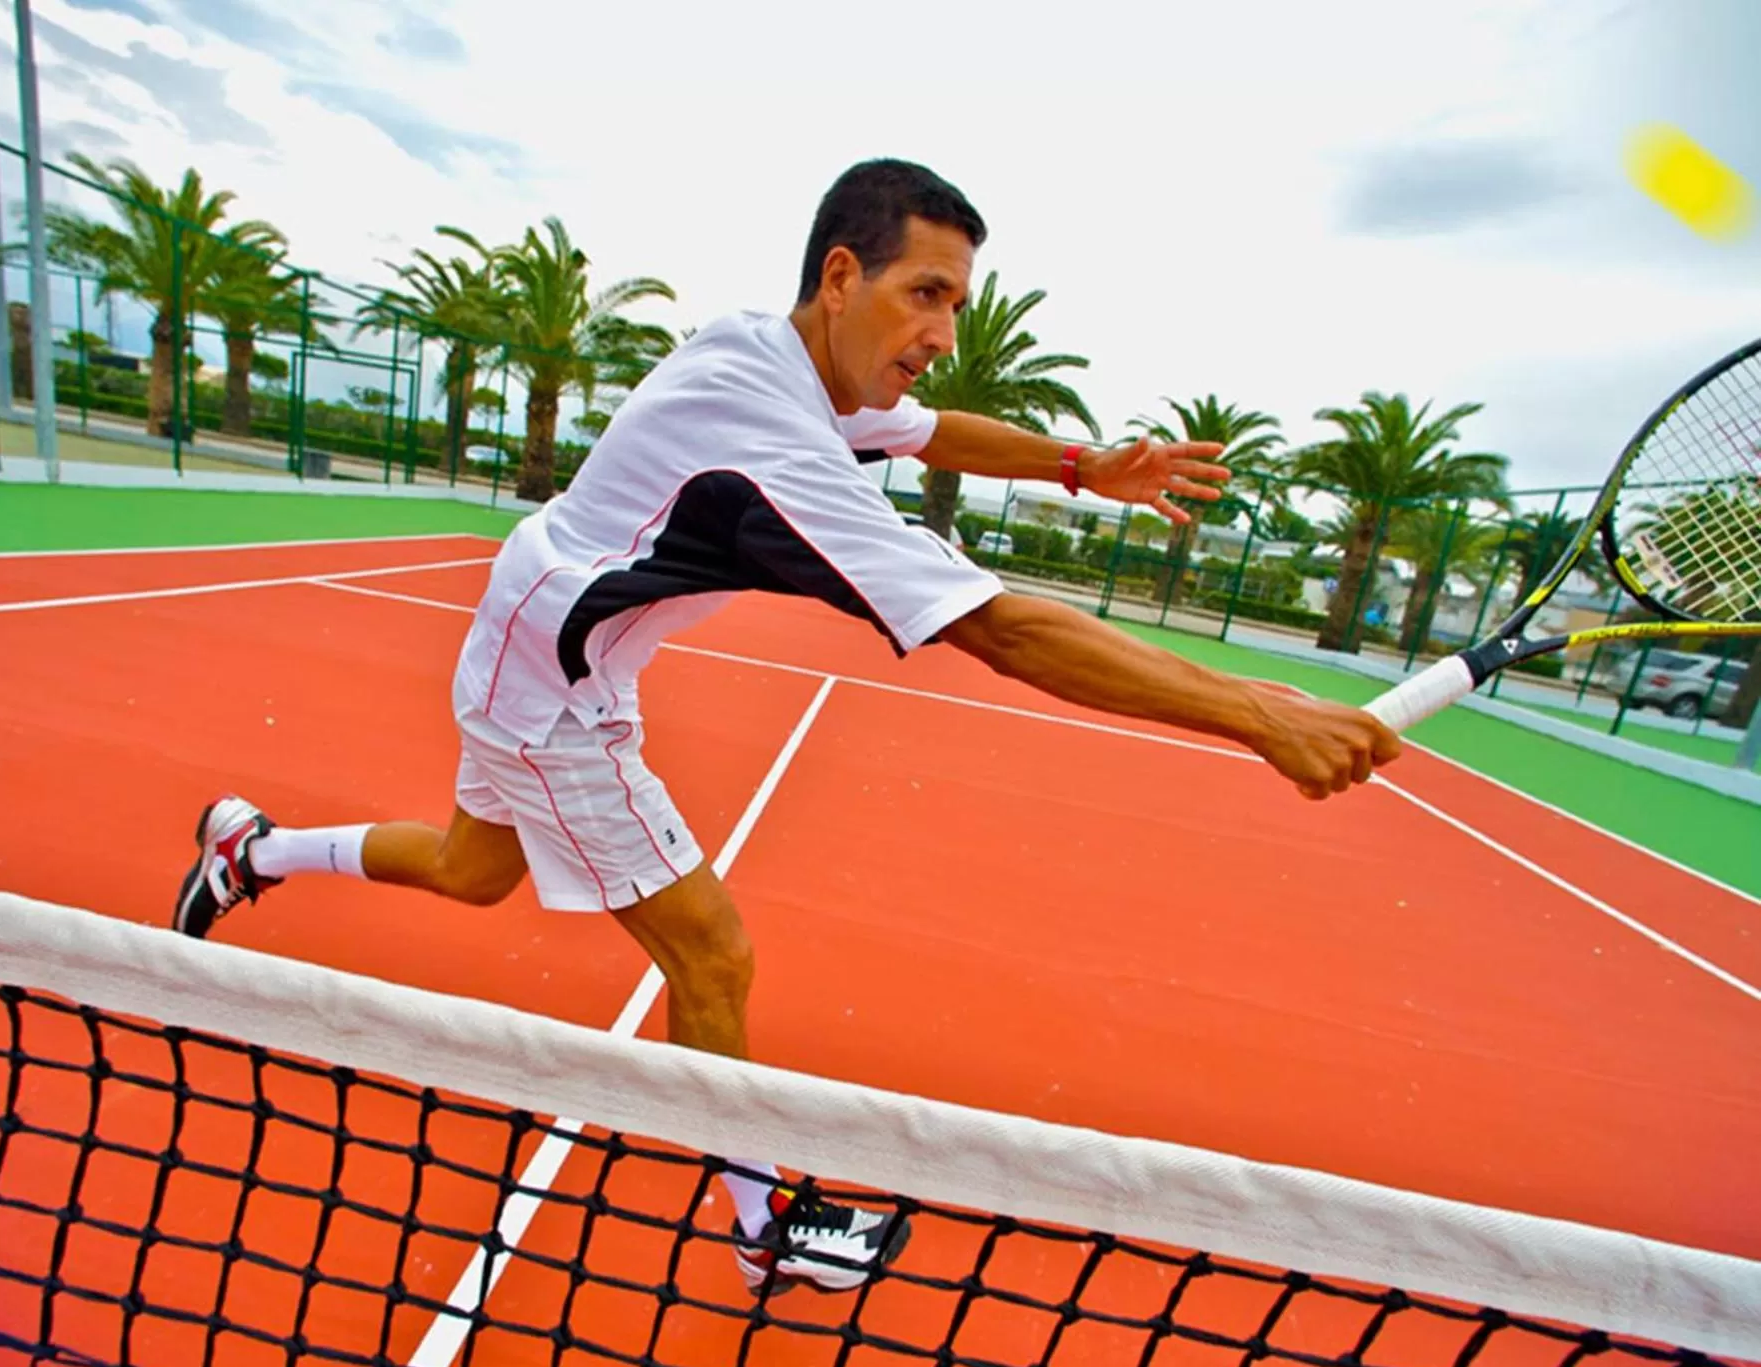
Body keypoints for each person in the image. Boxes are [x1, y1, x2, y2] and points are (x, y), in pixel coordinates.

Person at [174, 159, 1402, 1294]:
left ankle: (248, 850)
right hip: (552, 689)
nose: (940, 333)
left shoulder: (772, 355)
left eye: (960, 306)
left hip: (535, 641)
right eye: (925, 293)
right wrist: (1249, 713)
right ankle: (763, 1229)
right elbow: (999, 627)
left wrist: (1080, 468)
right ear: (839, 276)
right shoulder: (766, 435)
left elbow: (932, 434)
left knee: (469, 869)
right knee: (708, 952)